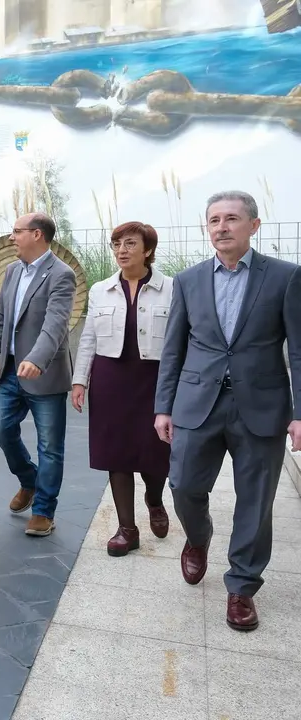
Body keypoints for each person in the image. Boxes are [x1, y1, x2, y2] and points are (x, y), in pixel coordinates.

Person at [155, 190, 301, 632]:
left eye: (232, 219)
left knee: (255, 502)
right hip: (197, 404)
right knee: (182, 487)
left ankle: (241, 586)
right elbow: (173, 350)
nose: (222, 227)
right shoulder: (189, 280)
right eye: (214, 219)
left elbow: (299, 350)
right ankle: (198, 538)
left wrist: (299, 413)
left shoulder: (286, 277)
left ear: (254, 226)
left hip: (263, 407)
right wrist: (164, 407)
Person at [72, 221, 173, 556]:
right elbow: (88, 339)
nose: (122, 251)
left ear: (147, 250)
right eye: (116, 244)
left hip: (154, 380)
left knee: (156, 452)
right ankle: (127, 529)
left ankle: (155, 500)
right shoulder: (101, 289)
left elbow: (182, 340)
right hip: (111, 380)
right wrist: (79, 380)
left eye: (130, 243)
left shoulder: (173, 289)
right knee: (117, 454)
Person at [0, 213, 76, 537]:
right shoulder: (11, 272)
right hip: (9, 372)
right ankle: (29, 480)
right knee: (0, 428)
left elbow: (56, 324)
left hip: (44, 375)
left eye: (16, 232)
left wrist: (37, 359)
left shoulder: (61, 275)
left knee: (50, 446)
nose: (11, 238)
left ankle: (44, 511)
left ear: (36, 235)